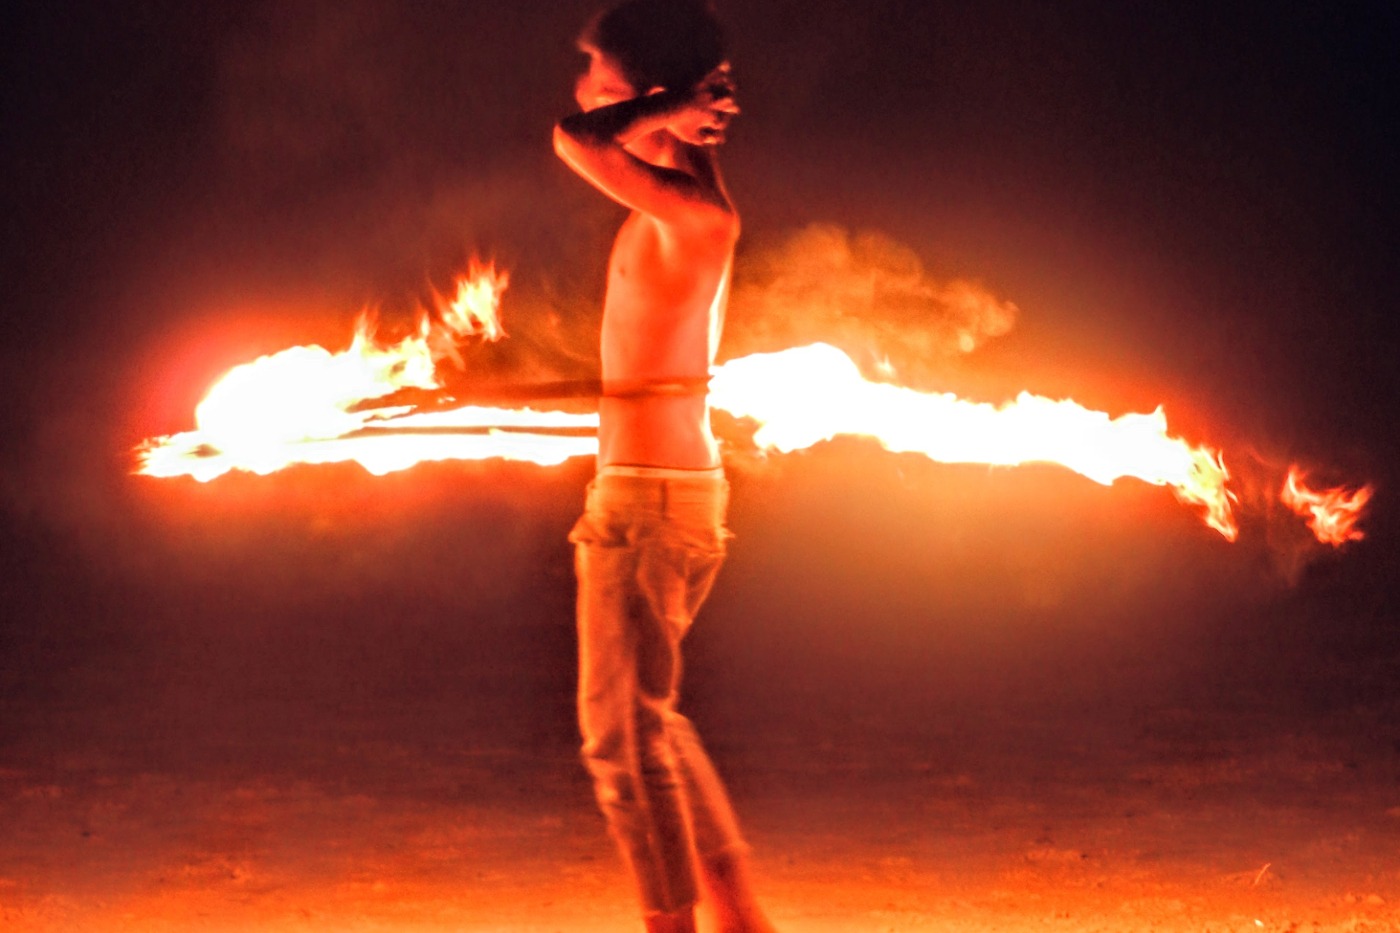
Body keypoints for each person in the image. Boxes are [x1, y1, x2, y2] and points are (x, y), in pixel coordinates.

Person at [553, 3, 775, 932]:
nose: (579, 90)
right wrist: (675, 110)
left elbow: (573, 140)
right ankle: (738, 918)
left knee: (619, 745)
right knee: (656, 720)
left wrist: (673, 100)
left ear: (640, 98)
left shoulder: (695, 220)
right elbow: (595, 129)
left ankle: (676, 925)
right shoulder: (687, 196)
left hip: (649, 507)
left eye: (596, 75)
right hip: (655, 498)